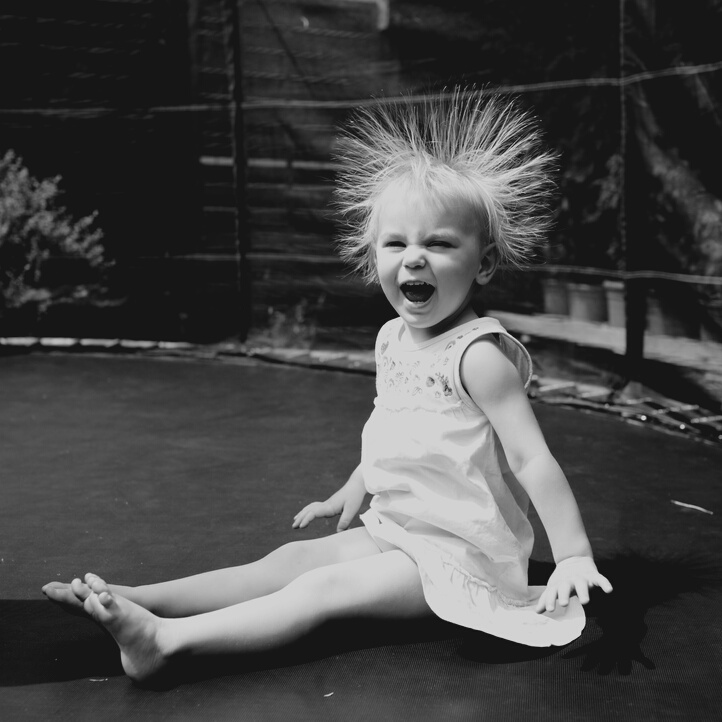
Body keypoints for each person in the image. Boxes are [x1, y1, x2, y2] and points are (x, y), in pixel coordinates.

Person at [42, 89, 612, 683]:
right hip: (399, 531)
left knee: (326, 586)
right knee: (289, 560)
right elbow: (401, 425)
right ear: (374, 257)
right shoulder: (393, 337)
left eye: (440, 244)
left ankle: (166, 643)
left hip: (460, 558)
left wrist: (571, 553)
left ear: (484, 263)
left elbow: (532, 458)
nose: (414, 259)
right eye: (397, 243)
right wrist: (356, 484)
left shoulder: (479, 357)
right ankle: (146, 597)